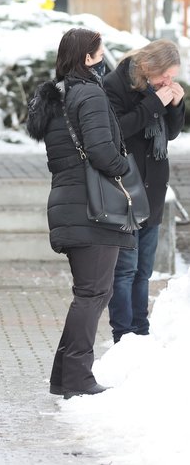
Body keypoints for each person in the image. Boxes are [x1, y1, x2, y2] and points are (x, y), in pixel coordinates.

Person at [26, 27, 136, 399]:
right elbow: (102, 152)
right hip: (92, 207)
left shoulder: (60, 97)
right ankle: (77, 378)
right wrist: (125, 168)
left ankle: (65, 375)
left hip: (71, 203)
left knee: (90, 293)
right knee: (92, 293)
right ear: (88, 58)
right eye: (100, 51)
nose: (104, 57)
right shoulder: (89, 93)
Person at [103, 40, 185, 343]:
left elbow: (171, 133)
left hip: (153, 190)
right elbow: (116, 132)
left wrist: (175, 106)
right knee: (125, 270)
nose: (169, 82)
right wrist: (154, 104)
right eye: (166, 76)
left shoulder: (158, 91)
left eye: (173, 77)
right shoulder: (115, 84)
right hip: (126, 188)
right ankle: (123, 335)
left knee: (144, 271)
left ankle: (141, 330)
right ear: (149, 66)